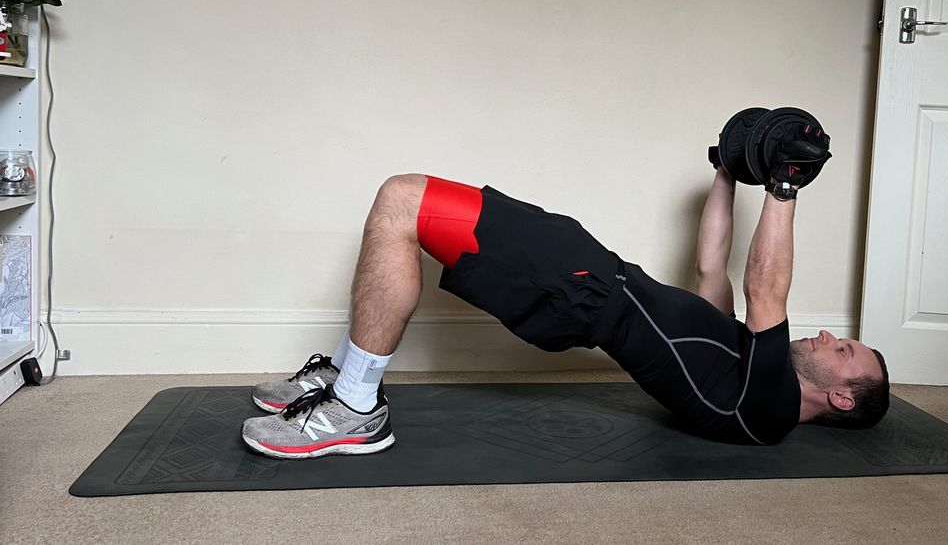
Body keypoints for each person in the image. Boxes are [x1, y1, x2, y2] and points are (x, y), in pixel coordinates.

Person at [241, 128, 889, 459]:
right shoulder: (745, 366)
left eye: (847, 349)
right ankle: (343, 378)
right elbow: (712, 265)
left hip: (579, 288)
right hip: (587, 272)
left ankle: (354, 404)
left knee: (400, 201)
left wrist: (784, 187)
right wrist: (726, 169)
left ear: (838, 394)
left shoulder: (769, 407)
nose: (832, 336)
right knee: (401, 202)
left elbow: (765, 285)